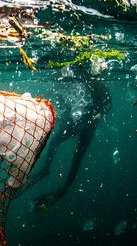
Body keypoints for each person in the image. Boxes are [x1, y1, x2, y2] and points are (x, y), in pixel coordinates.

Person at [16, 67, 111, 211]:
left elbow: (105, 103)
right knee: (75, 156)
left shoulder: (91, 78)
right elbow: (105, 103)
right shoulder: (89, 77)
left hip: (86, 119)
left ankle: (48, 175)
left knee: (64, 147)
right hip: (85, 119)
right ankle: (54, 182)